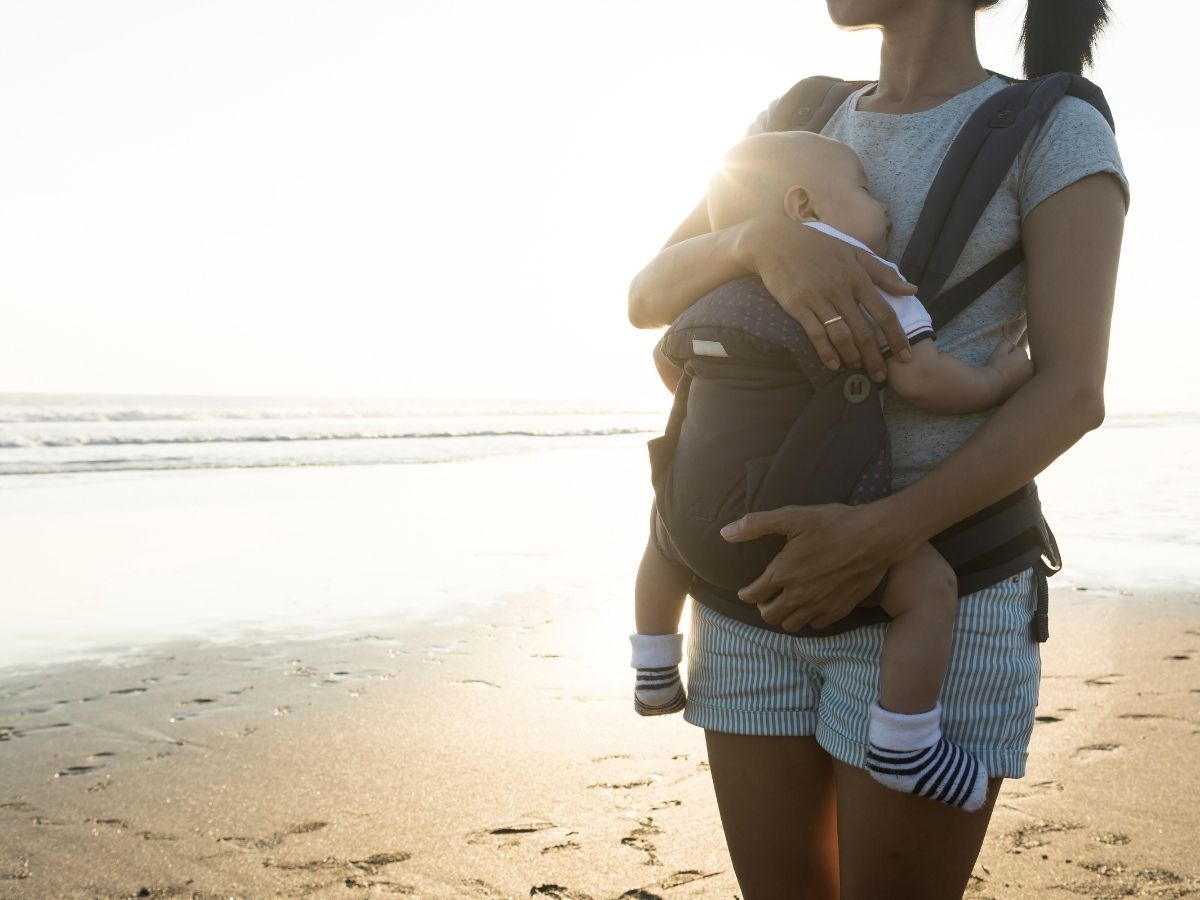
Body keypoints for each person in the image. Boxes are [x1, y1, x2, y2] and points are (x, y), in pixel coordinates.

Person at [625, 0, 1127, 896]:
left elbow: (1071, 390)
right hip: (755, 594)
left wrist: (882, 535)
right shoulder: (798, 116)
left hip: (939, 595)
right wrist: (758, 239)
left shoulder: (1054, 126)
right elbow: (649, 295)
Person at [630, 130, 1035, 815]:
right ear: (803, 204)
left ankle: (652, 668)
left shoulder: (711, 284)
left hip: (704, 531)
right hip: (798, 527)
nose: (885, 210)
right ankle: (906, 741)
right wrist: (998, 379)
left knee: (664, 537)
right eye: (867, 191)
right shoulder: (865, 272)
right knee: (927, 588)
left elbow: (672, 364)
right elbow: (922, 377)